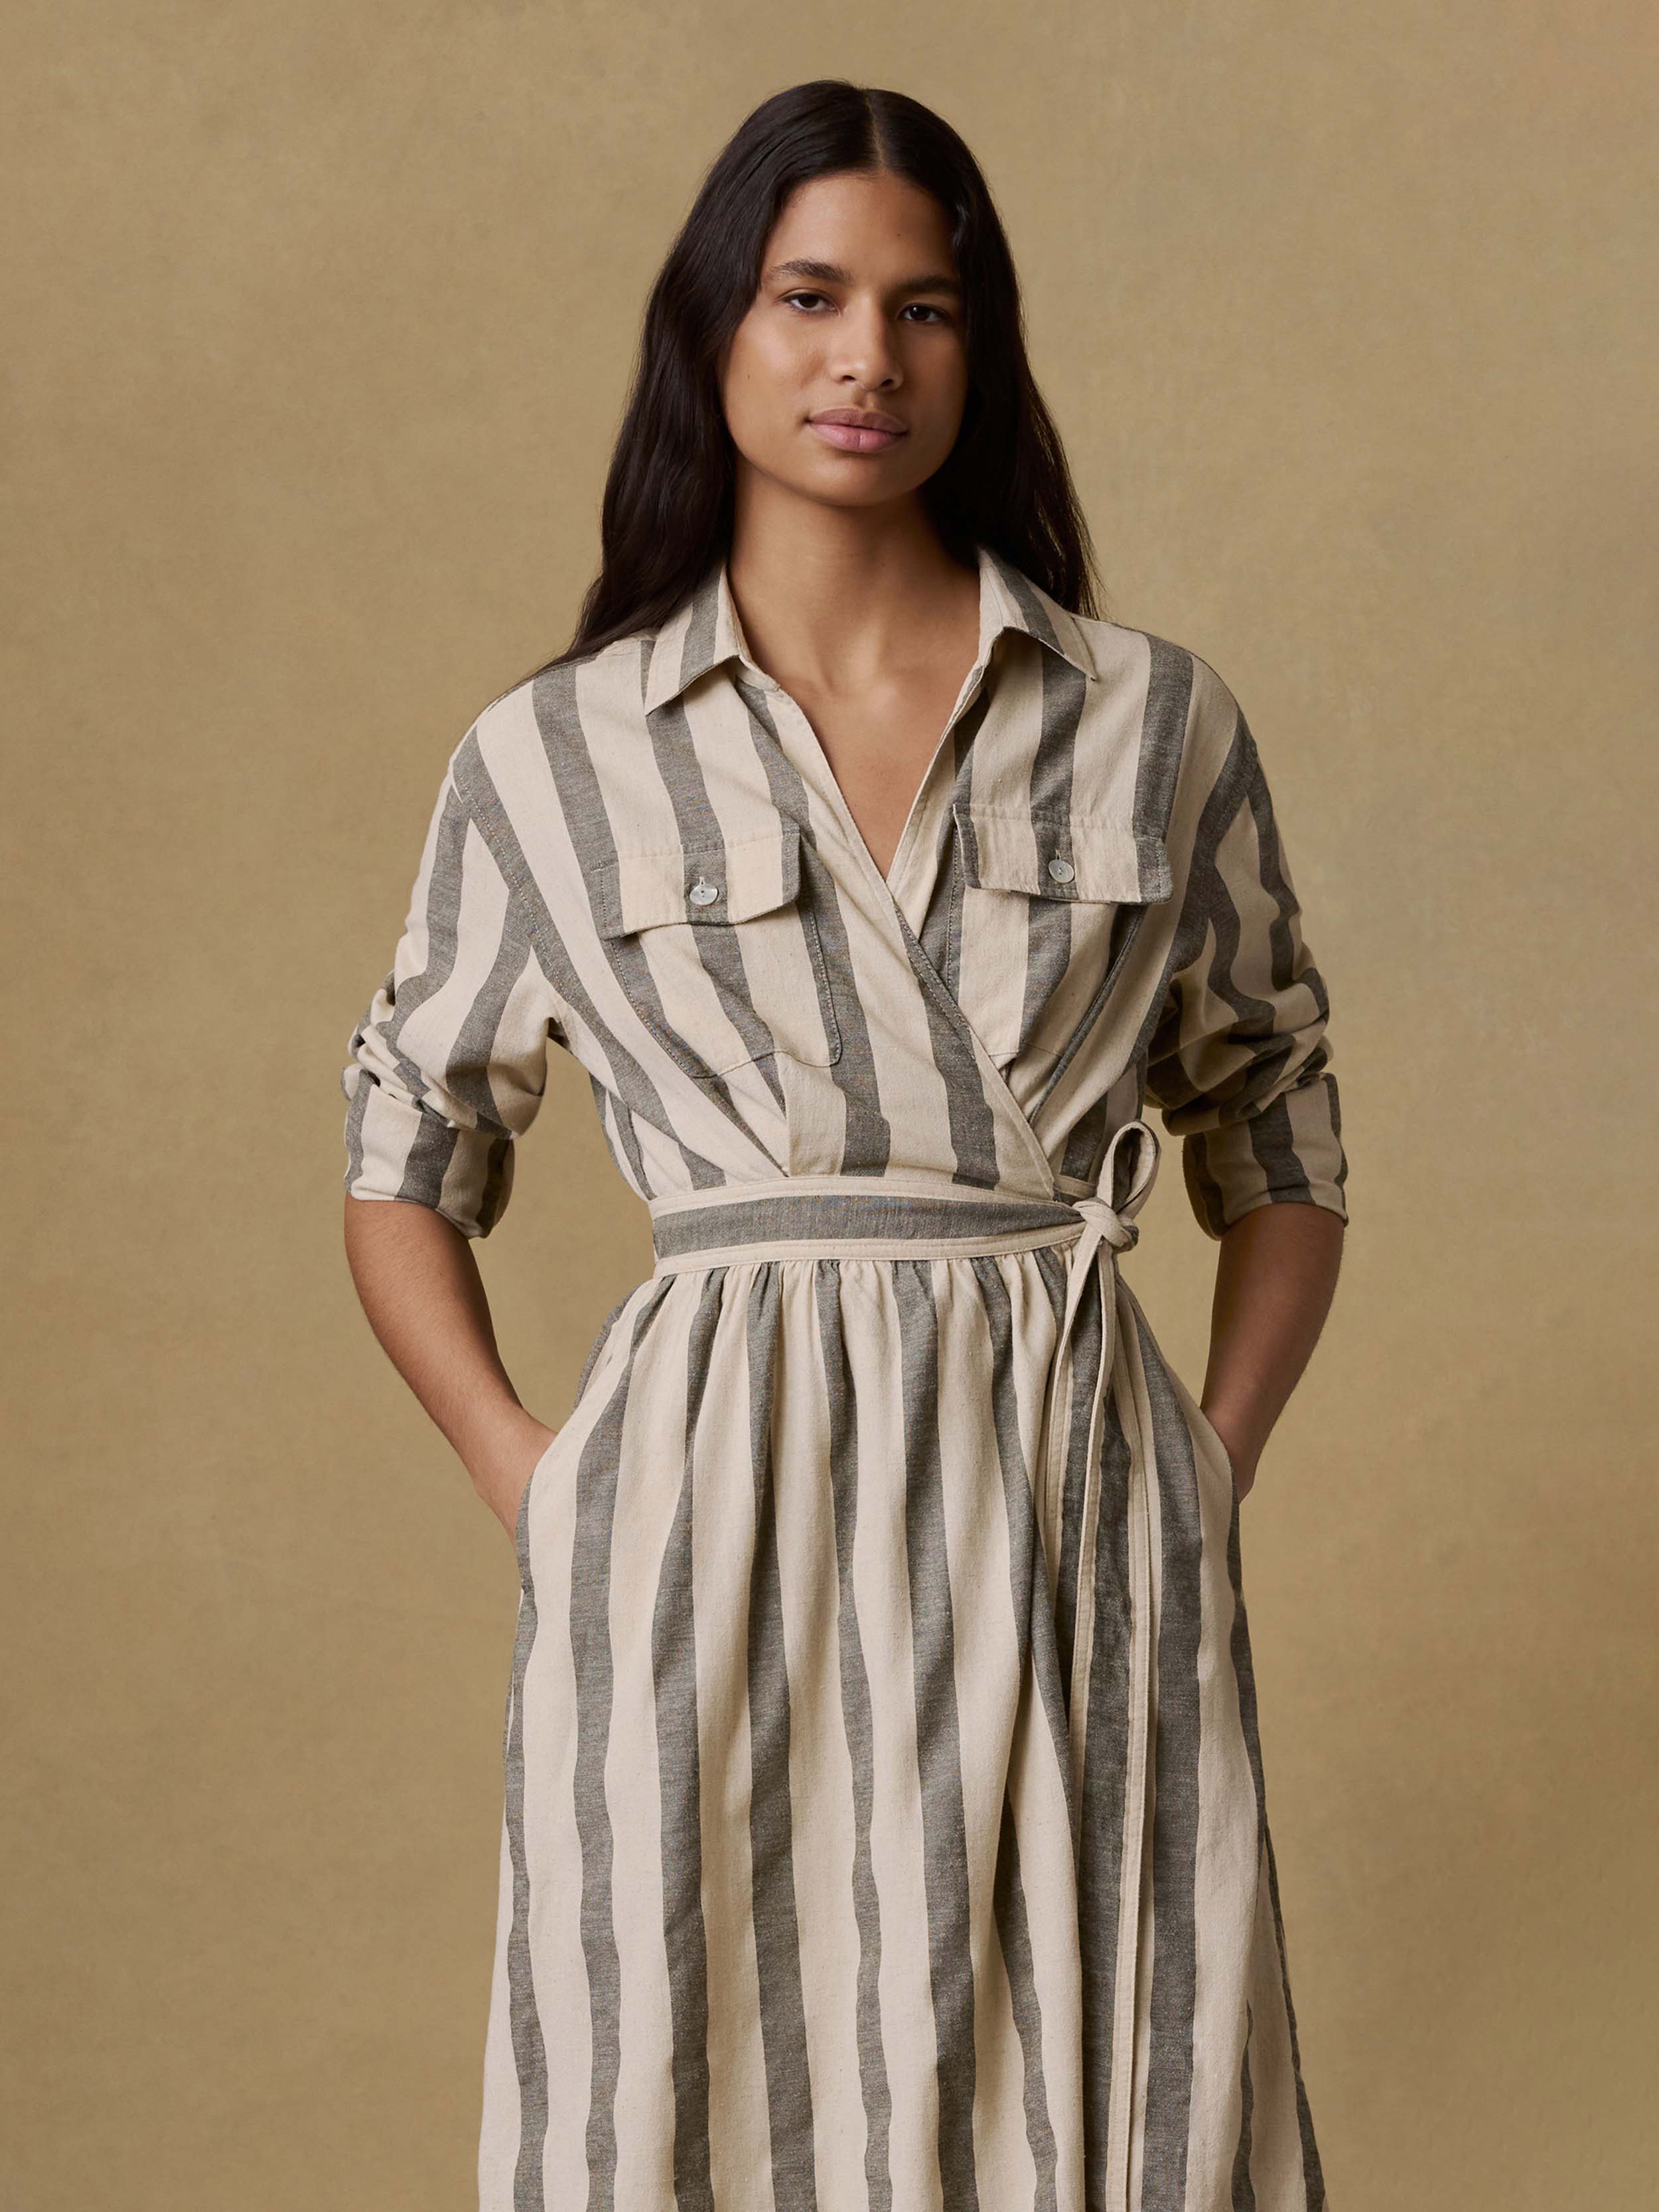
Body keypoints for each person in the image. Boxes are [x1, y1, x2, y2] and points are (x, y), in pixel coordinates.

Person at [340, 78, 1348, 2212]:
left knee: (1127, 2093)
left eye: (926, 307)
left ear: (981, 355)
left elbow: (1274, 1125)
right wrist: (552, 1493)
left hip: (1071, 1487)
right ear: (713, 327)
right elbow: (405, 1154)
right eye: (808, 296)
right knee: (683, 2087)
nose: (864, 360)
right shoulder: (553, 756)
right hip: (704, 1514)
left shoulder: (1150, 720)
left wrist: (1210, 1462)